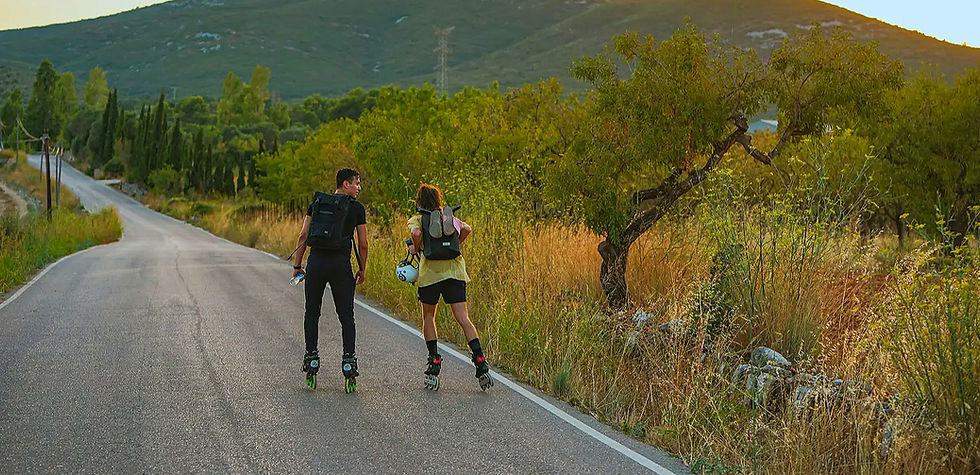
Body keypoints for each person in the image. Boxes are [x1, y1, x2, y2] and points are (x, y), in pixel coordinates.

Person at [407, 183, 493, 391]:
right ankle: (480, 360)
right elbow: (467, 229)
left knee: (429, 316)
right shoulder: (449, 217)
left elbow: (417, 234)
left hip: (431, 275)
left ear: (420, 201)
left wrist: (417, 248)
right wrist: (457, 244)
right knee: (463, 318)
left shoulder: (417, 218)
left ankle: (434, 361)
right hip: (455, 272)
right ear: (438, 199)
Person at [292, 168, 368, 392]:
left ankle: (312, 358)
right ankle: (348, 361)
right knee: (346, 315)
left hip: (316, 263)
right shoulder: (356, 208)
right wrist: (362, 268)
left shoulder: (317, 202)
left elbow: (303, 235)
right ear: (346, 184)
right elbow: (363, 243)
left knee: (312, 312)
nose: (359, 188)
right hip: (340, 265)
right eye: (356, 183)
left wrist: (298, 265)